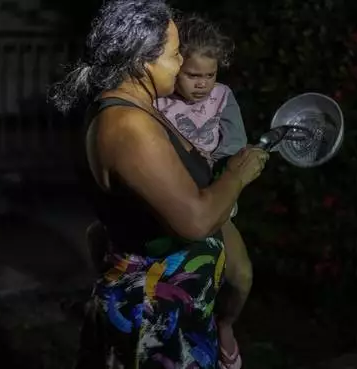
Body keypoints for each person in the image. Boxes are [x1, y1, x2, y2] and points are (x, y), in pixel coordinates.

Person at [48, 1, 269, 368]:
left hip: (177, 310)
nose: (183, 62)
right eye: (174, 54)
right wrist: (237, 175)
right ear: (142, 62)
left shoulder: (140, 109)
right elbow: (195, 221)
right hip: (157, 317)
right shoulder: (127, 126)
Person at [155, 14, 251, 369]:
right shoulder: (159, 102)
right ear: (176, 66)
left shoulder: (222, 98)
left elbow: (236, 147)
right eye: (193, 75)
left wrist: (229, 169)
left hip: (213, 206)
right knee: (177, 288)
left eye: (209, 76)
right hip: (173, 206)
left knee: (241, 276)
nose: (202, 85)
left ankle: (225, 325)